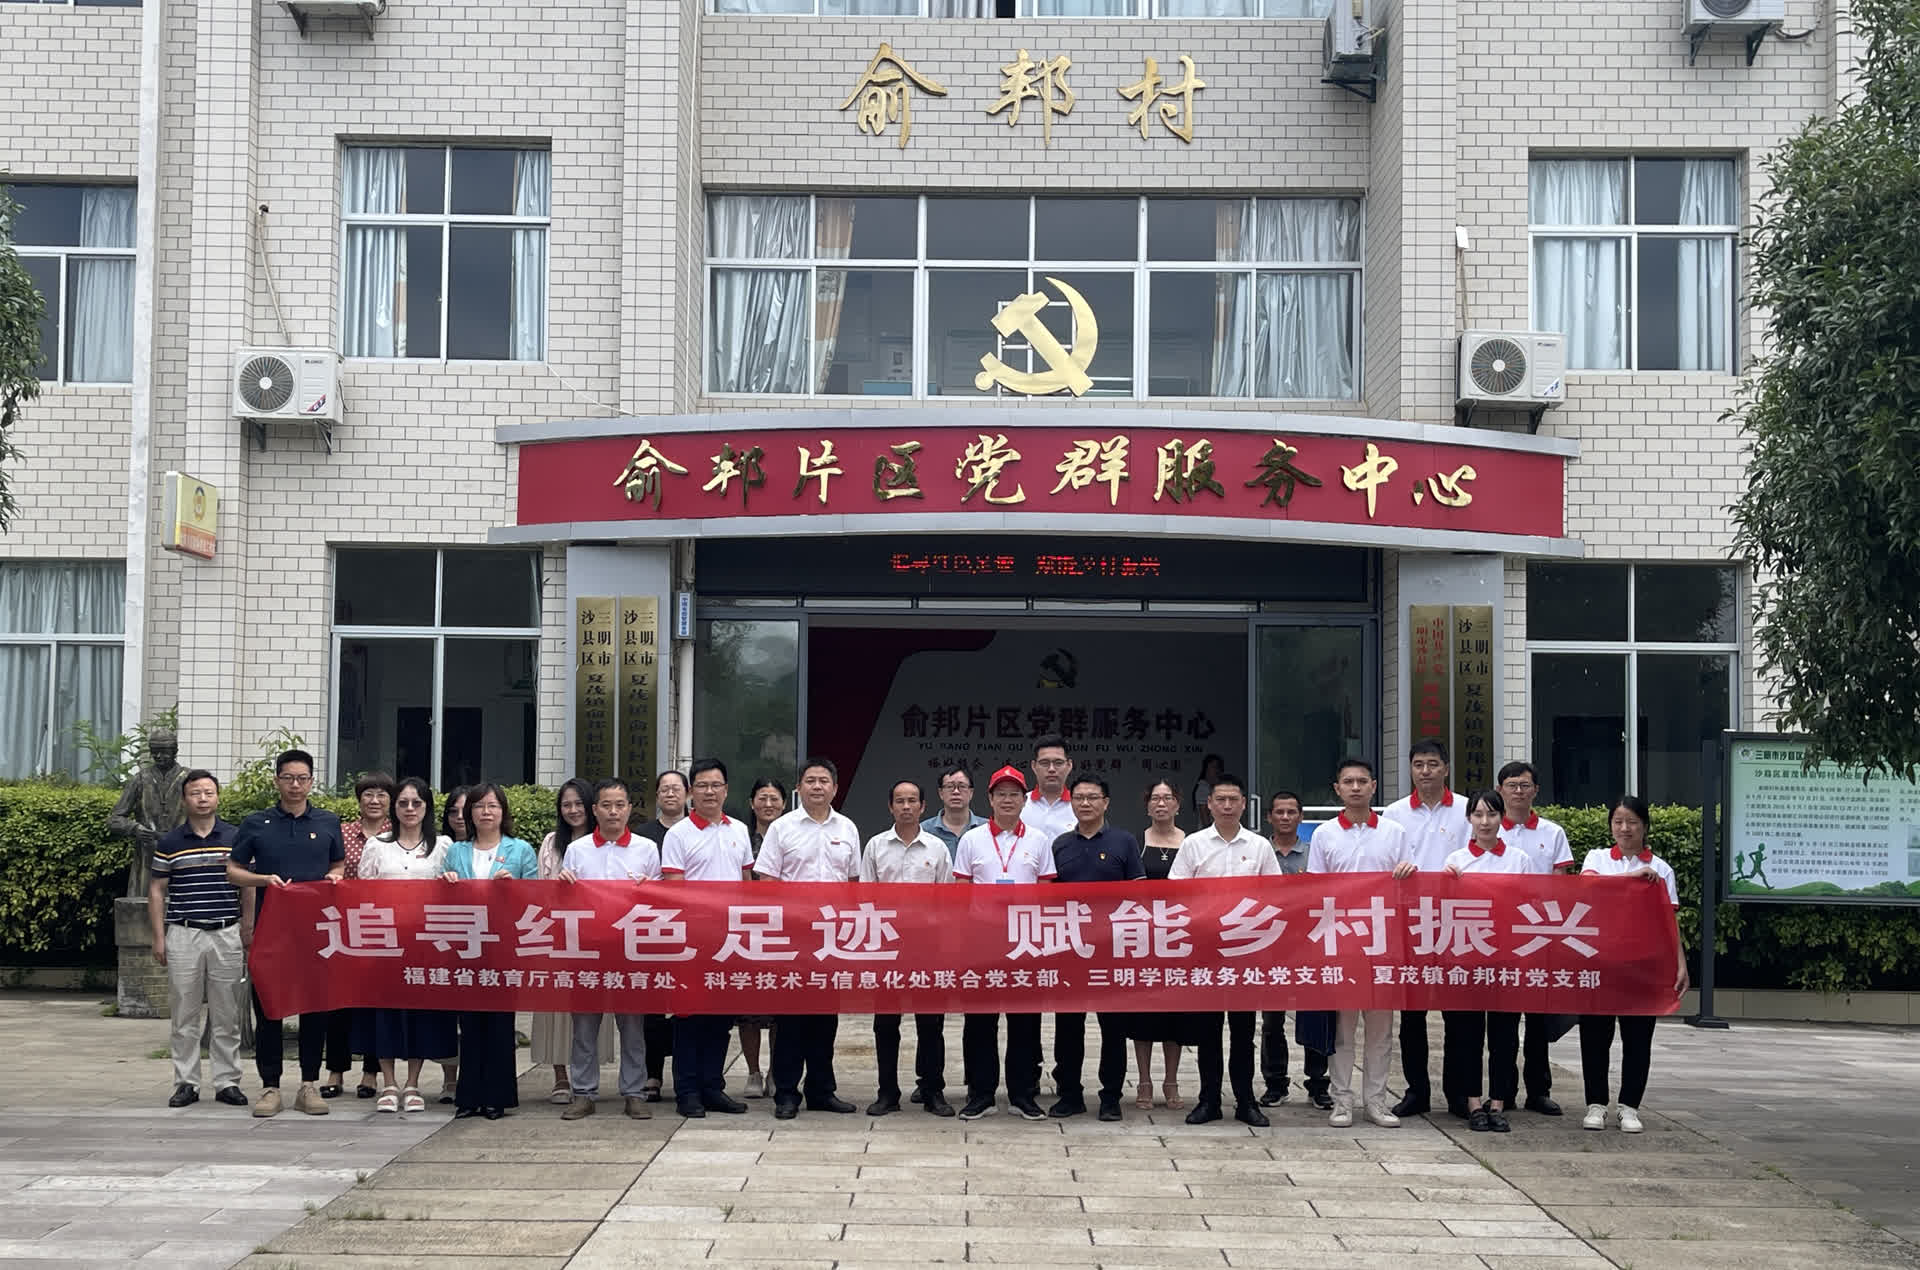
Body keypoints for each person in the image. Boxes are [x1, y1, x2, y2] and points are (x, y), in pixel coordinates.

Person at [227, 748, 345, 1119]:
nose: (295, 785)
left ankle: (309, 1084)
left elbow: (338, 862)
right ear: (277, 780)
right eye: (288, 778)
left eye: (302, 778)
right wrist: (263, 880)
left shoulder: (327, 821)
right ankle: (270, 1086)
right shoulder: (256, 823)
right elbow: (233, 870)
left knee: (315, 1007)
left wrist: (336, 877)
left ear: (312, 782)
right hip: (271, 929)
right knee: (269, 1008)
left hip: (316, 931)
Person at [1308, 756, 1416, 1129]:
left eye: (1362, 781)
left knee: (1381, 1030)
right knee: (1342, 1029)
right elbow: (1315, 890)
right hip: (1342, 944)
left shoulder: (1395, 832)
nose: (1355, 787)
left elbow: (1410, 886)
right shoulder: (1324, 834)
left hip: (1383, 943)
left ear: (1373, 786)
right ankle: (1342, 1101)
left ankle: (1376, 1102)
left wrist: (1407, 874)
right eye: (1348, 781)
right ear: (1337, 789)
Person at [1169, 773, 1279, 1127]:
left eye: (1234, 800)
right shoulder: (1194, 844)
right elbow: (1176, 894)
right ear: (1210, 804)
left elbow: (1277, 895)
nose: (1227, 806)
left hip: (1247, 952)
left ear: (1244, 804)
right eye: (1221, 800)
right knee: (1208, 1031)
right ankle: (1209, 1101)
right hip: (1206, 952)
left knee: (1244, 1032)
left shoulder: (1259, 846)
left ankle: (1246, 1101)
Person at [756, 758, 861, 1120]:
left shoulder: (847, 828)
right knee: (790, 1020)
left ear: (835, 788)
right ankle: (786, 1093)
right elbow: (766, 881)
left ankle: (821, 1090)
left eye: (824, 781)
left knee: (825, 1019)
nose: (817, 786)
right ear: (799, 788)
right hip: (792, 936)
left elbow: (853, 883)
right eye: (811, 780)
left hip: (831, 937)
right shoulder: (782, 828)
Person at [952, 764, 1058, 1122]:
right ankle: (980, 1094)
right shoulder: (972, 839)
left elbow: (1046, 891)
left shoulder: (1039, 840)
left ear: (1024, 800)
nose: (1008, 800)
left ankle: (1023, 1094)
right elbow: (962, 892)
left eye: (1014, 794)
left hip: (1024, 943)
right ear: (990, 799)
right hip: (982, 942)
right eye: (1001, 794)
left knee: (1025, 1021)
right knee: (979, 1021)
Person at [1578, 794, 1688, 1134]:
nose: (1624, 829)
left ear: (1645, 826)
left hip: (1643, 964)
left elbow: (1669, 922)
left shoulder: (1661, 869)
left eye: (1632, 822)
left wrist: (1680, 964)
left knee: (1638, 1038)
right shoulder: (1597, 858)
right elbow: (1588, 888)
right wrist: (1632, 878)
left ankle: (1630, 1106)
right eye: (1618, 822)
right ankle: (1596, 1104)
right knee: (1595, 1036)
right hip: (1599, 960)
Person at [554, 777, 660, 1121]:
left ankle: (634, 1092)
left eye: (619, 805)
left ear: (629, 809)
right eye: (606, 805)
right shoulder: (578, 850)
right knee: (585, 1028)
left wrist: (651, 888)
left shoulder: (646, 849)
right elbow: (563, 902)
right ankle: (583, 1093)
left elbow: (661, 901)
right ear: (595, 810)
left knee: (632, 1028)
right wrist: (562, 885)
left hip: (630, 951)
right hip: (588, 951)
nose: (613, 812)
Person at [1441, 788, 1543, 1134]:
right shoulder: (1455, 860)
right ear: (1469, 819)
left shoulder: (1519, 859)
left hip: (1506, 959)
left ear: (1502, 818)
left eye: (1492, 814)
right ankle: (1473, 1103)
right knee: (1467, 1035)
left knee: (1505, 1035)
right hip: (1467, 959)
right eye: (1478, 815)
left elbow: (1529, 906)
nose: (1485, 822)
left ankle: (1498, 1102)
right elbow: (1444, 908)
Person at [148, 767, 249, 1109]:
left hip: (226, 932)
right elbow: (157, 890)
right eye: (195, 793)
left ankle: (227, 1082)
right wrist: (159, 937)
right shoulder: (170, 842)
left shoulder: (236, 837)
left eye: (208, 792)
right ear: (184, 799)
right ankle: (186, 1083)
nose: (202, 799)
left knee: (227, 1013)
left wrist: (248, 926)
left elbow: (248, 886)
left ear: (218, 797)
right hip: (184, 933)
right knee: (184, 1014)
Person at [660, 758, 753, 1119]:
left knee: (721, 1018)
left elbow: (747, 885)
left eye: (716, 785)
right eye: (702, 785)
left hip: (730, 940)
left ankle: (713, 1087)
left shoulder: (739, 830)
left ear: (726, 790)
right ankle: (687, 1091)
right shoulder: (678, 834)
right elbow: (674, 889)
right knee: (689, 1018)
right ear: (690, 792)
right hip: (692, 940)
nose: (709, 792)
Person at [1048, 775, 1144, 1123]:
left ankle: (1111, 1097)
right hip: (1070, 948)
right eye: (1079, 798)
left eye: (1093, 797)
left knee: (1113, 1028)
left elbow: (1139, 895)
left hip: (1112, 949)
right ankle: (1069, 1094)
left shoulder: (1124, 842)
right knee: (1067, 1027)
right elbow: (1047, 898)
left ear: (1106, 802)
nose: (1085, 803)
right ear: (1071, 802)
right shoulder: (1059, 844)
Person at [441, 781, 539, 1120]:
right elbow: (440, 899)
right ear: (470, 813)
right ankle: (469, 1097)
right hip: (466, 945)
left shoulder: (520, 850)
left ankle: (497, 1096)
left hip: (503, 945)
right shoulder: (456, 851)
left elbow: (536, 897)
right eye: (480, 806)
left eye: (493, 805)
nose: (486, 812)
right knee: (469, 1024)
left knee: (499, 1023)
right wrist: (446, 883)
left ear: (503, 812)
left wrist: (515, 888)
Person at [358, 778, 456, 1116]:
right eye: (403, 803)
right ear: (394, 807)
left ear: (427, 807)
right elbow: (363, 894)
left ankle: (412, 1083)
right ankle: (389, 1083)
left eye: (417, 803)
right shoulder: (377, 846)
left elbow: (454, 893)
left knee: (419, 1014)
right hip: (385, 944)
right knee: (385, 1014)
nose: (410, 809)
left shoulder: (443, 846)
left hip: (426, 944)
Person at [1382, 738, 1469, 1119]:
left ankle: (1458, 1093)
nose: (1426, 771)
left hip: (1458, 920)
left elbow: (1480, 854)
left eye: (1433, 764)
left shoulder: (1466, 809)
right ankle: (1417, 1091)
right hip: (1411, 921)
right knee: (1412, 1014)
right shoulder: (1395, 813)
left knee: (1457, 1014)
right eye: (1418, 764)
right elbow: (1385, 861)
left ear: (1446, 768)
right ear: (1410, 770)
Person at [859, 779, 954, 1118]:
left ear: (923, 806)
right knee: (886, 1024)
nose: (906, 806)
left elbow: (948, 899)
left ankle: (933, 1091)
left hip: (928, 948)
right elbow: (865, 897)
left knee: (931, 1023)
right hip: (887, 947)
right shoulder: (875, 846)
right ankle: (887, 1093)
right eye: (899, 800)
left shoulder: (937, 848)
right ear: (890, 806)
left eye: (912, 800)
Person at [1496, 760, 1576, 1116]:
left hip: (1540, 935)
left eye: (1524, 785)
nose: (1518, 791)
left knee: (1539, 1019)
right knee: (1504, 1019)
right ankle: (1503, 1089)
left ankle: (1539, 1090)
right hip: (1499, 936)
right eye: (1511, 785)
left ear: (1535, 791)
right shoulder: (1487, 830)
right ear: (1500, 790)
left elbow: (1562, 886)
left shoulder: (1552, 832)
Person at [532, 779, 608, 1105]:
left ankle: (587, 1078)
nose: (573, 810)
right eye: (566, 805)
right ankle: (561, 1076)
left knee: (588, 1010)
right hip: (558, 936)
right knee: (557, 1010)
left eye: (578, 803)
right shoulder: (552, 842)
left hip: (594, 938)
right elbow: (539, 890)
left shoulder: (604, 841)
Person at [323, 770, 393, 1100]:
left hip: (383, 929)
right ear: (359, 799)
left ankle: (370, 1073)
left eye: (381, 795)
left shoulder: (398, 835)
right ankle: (335, 1070)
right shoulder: (342, 832)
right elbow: (330, 868)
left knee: (375, 1002)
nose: (374, 800)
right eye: (368, 794)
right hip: (343, 927)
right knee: (338, 1001)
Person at [1259, 789, 1331, 1111]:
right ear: (1269, 817)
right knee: (1272, 1021)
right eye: (1279, 812)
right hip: (1270, 947)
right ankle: (1275, 1084)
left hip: (1310, 946)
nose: (1285, 817)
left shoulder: (1314, 853)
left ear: (1301, 817)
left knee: (1315, 1015)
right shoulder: (1260, 852)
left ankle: (1318, 1084)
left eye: (1291, 812)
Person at [1132, 778, 1199, 1111]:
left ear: (1178, 804)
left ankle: (1171, 1081)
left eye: (1167, 798)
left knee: (1176, 1014)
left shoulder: (1193, 842)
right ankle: (1144, 1080)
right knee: (1143, 1014)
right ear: (1147, 805)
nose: (1161, 804)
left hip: (1181, 939)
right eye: (1155, 798)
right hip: (1143, 939)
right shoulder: (1135, 842)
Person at [634, 768, 689, 1100]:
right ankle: (652, 1075)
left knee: (686, 1005)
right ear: (657, 796)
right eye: (664, 789)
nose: (670, 794)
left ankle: (685, 1075)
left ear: (687, 794)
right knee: (652, 1006)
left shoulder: (694, 830)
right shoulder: (643, 835)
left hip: (691, 930)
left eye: (676, 788)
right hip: (653, 928)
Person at [738, 777, 788, 1099]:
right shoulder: (740, 837)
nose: (768, 804)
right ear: (752, 802)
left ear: (784, 803)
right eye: (762, 798)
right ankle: (753, 1072)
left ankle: (775, 1072)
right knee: (749, 1008)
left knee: (780, 1007)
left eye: (774, 799)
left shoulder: (791, 835)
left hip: (784, 931)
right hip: (746, 930)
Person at [108, 725, 188, 898]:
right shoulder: (140, 779)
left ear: (175, 751)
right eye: (155, 752)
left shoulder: (189, 779)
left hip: (182, 854)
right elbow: (115, 819)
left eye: (164, 752)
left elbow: (205, 816)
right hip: (147, 856)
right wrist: (135, 828)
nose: (159, 756)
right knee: (144, 903)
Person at [1019, 734, 1075, 842]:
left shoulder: (1080, 806)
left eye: (1058, 763)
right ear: (1034, 766)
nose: (1051, 769)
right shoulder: (1019, 805)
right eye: (1044, 763)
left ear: (1069, 765)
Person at [922, 765, 985, 855]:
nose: (956, 792)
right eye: (950, 786)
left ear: (971, 792)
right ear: (941, 793)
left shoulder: (987, 828)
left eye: (962, 786)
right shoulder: (924, 830)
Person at [1189, 753, 1224, 830]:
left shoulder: (1213, 788)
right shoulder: (1203, 788)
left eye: (1218, 768)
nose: (1217, 771)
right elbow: (1205, 819)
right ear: (1207, 769)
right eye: (1214, 767)